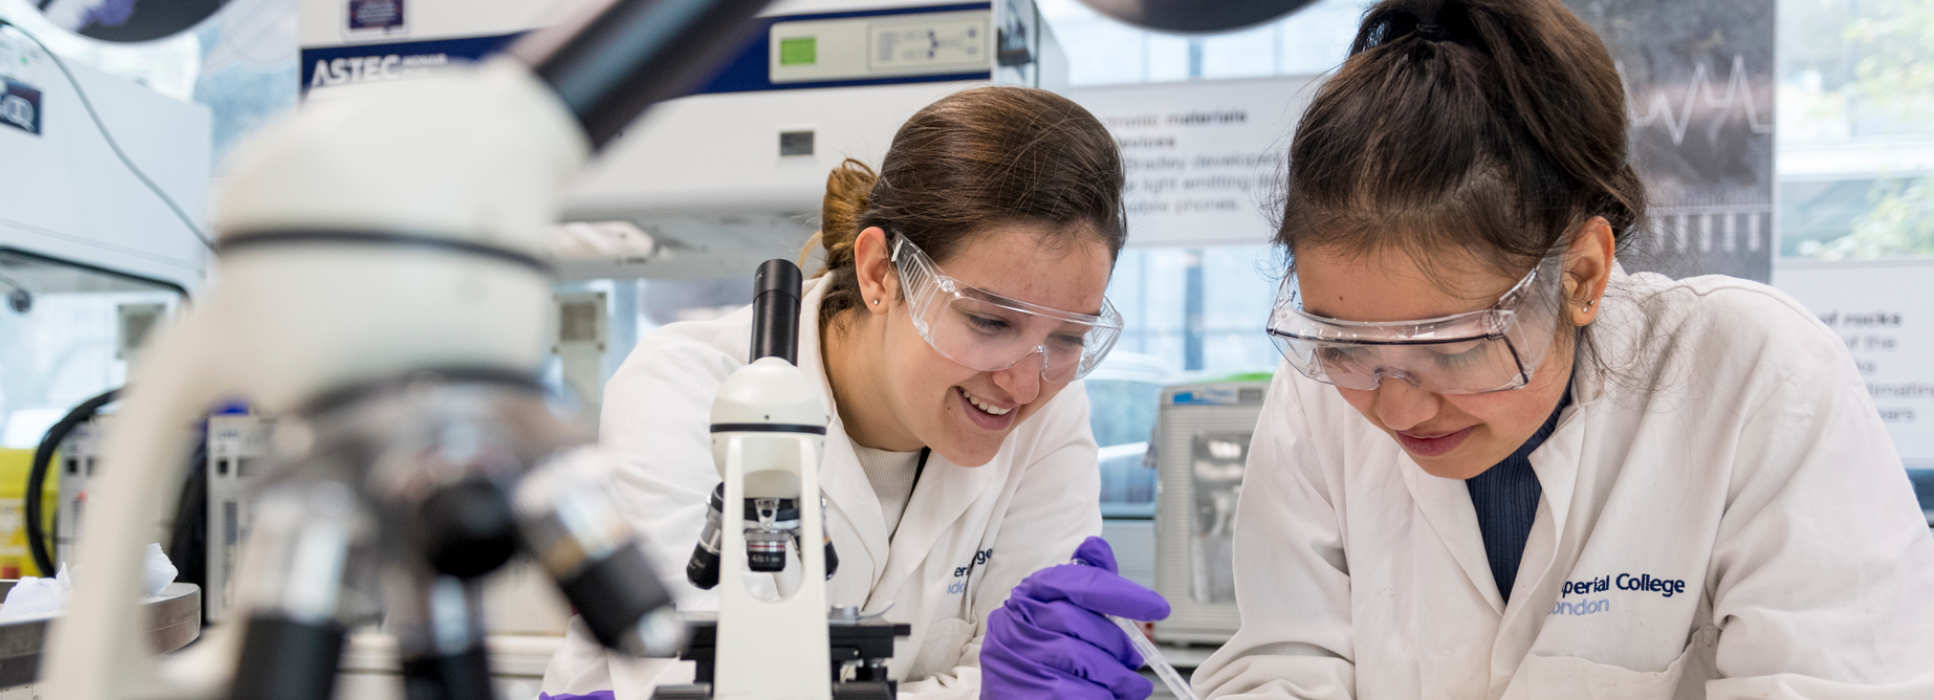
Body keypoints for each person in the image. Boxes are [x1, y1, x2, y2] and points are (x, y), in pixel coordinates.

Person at [1191, 0, 1934, 697]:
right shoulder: (1324, 394)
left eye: (1453, 346)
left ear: (1582, 275)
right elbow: (1285, 657)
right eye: (1344, 343)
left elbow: (1831, 680)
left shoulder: (1754, 375)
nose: (1394, 404)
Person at [539, 86, 1166, 700]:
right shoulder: (686, 388)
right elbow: (703, 683)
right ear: (878, 274)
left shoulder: (1047, 417)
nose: (1027, 382)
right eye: (989, 321)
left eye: (1068, 337)